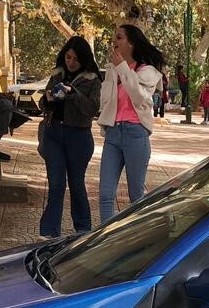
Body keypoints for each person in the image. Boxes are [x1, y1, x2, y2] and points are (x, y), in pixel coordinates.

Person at [98, 24, 165, 223]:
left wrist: (123, 69)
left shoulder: (148, 72)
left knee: (135, 196)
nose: (114, 42)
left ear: (131, 43)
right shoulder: (112, 69)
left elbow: (140, 97)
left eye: (119, 38)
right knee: (105, 194)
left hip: (135, 133)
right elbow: (105, 100)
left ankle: (136, 240)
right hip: (113, 134)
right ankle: (104, 242)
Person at [38, 36, 102, 238]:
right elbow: (43, 103)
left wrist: (72, 93)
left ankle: (83, 231)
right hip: (53, 134)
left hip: (79, 137)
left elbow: (92, 109)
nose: (71, 62)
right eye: (68, 57)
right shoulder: (57, 74)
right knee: (56, 184)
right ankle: (48, 233)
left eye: (75, 59)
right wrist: (48, 98)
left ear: (83, 59)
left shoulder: (92, 79)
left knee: (76, 183)